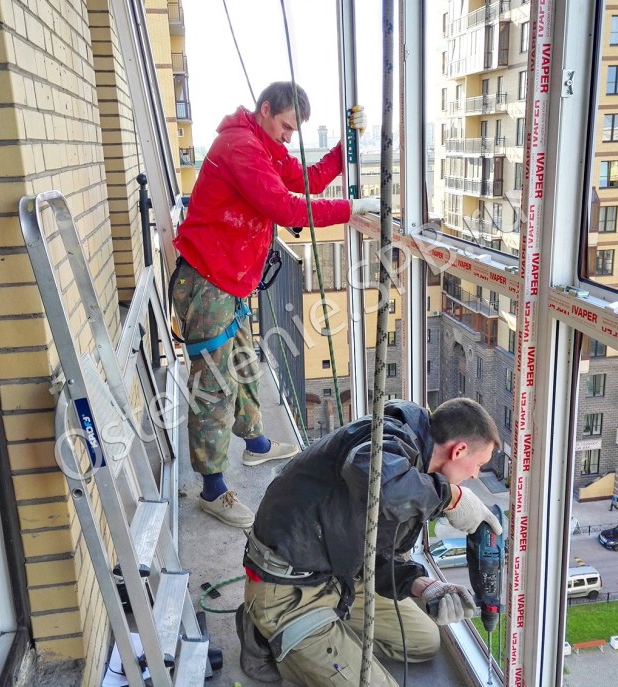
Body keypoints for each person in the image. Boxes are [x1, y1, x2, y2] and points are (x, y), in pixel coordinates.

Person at [171, 82, 379, 528]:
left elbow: (308, 181)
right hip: (208, 283)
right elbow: (285, 208)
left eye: (294, 130)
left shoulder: (263, 145)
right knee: (215, 385)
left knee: (243, 363)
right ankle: (212, 488)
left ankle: (256, 444)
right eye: (286, 126)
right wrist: (351, 209)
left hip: (227, 281)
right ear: (265, 110)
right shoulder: (240, 147)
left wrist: (348, 144)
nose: (289, 136)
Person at [236, 398, 502, 685]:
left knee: (424, 641)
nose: (476, 475)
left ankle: (325, 639)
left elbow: (373, 549)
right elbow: (378, 480)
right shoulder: (387, 442)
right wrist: (450, 498)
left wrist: (422, 584)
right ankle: (265, 636)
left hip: (337, 575)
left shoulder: (415, 466)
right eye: (479, 464)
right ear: (459, 450)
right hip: (288, 589)